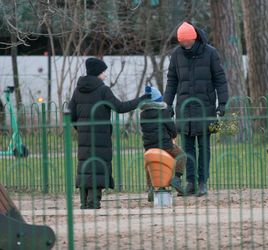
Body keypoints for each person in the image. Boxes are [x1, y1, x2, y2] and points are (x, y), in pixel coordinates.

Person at [69, 58, 150, 209]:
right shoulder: (103, 90)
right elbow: (119, 107)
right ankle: (93, 202)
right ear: (97, 73)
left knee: (85, 166)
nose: (105, 75)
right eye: (103, 72)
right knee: (97, 167)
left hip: (84, 136)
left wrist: (80, 129)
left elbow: (70, 114)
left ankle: (84, 202)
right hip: (101, 136)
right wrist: (140, 100)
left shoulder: (78, 90)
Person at [164, 21, 228, 196]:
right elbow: (172, 81)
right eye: (181, 42)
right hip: (184, 109)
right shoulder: (177, 55)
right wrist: (166, 104)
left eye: (187, 41)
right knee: (187, 148)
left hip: (205, 108)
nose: (184, 45)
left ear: (194, 38)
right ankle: (190, 182)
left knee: (204, 146)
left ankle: (202, 182)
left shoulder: (210, 53)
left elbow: (220, 79)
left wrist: (222, 103)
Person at [140, 86, 187, 201]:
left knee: (149, 163)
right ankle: (176, 178)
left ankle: (150, 187)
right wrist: (173, 136)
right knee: (182, 155)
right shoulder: (163, 112)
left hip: (149, 147)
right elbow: (172, 129)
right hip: (165, 145)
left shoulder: (143, 114)